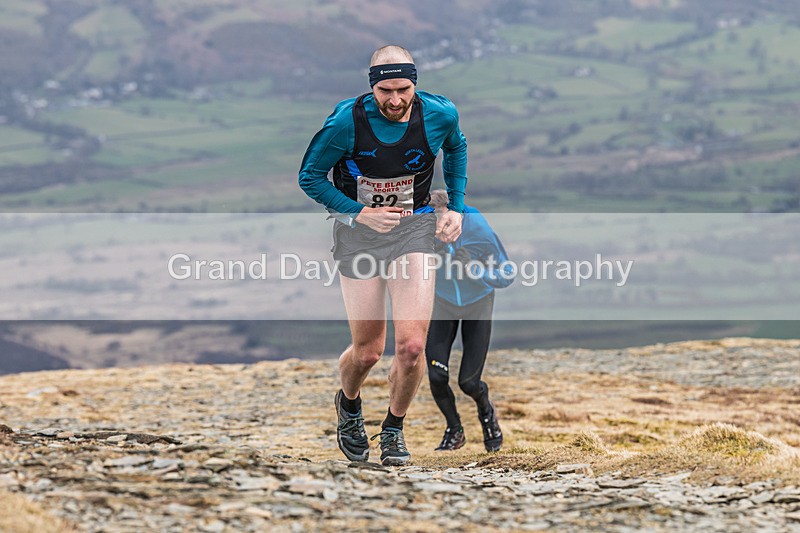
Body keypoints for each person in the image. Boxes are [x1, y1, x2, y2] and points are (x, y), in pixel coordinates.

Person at [298, 45, 468, 465]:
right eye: (385, 91)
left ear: (416, 84)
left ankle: (393, 429)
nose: (395, 100)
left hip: (415, 228)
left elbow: (457, 149)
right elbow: (309, 177)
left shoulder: (440, 114)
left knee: (411, 347)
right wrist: (359, 214)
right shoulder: (346, 121)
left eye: (404, 89)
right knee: (369, 351)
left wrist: (457, 208)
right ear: (372, 86)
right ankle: (350, 405)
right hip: (360, 238)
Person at [426, 189, 515, 452]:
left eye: (441, 225)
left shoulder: (477, 226)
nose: (437, 231)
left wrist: (474, 269)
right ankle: (454, 429)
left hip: (478, 301)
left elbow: (506, 274)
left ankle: (487, 413)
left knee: (469, 382)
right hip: (442, 302)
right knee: (436, 375)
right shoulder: (424, 228)